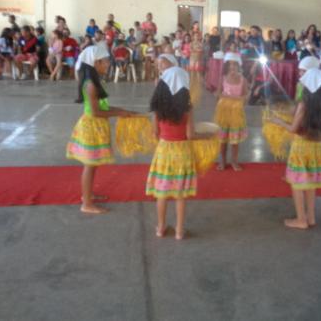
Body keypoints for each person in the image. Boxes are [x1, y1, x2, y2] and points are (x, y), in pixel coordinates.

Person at [66, 46, 138, 214]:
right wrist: (119, 113)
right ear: (96, 62)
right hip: (92, 126)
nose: (108, 65)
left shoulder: (94, 81)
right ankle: (86, 204)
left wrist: (122, 110)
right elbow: (97, 111)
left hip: (96, 125)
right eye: (106, 62)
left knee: (93, 164)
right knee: (90, 165)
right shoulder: (90, 85)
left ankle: (88, 195)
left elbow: (103, 106)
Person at [146, 66, 209, 240]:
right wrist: (209, 135)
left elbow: (155, 133)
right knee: (180, 195)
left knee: (162, 193)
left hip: (164, 151)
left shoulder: (158, 108)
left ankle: (160, 228)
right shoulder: (187, 108)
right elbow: (191, 135)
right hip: (182, 152)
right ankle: (180, 231)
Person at [269, 68, 321, 229]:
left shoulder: (303, 105)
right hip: (316, 147)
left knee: (297, 183)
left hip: (300, 148)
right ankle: (311, 217)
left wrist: (278, 121)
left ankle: (300, 219)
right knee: (310, 183)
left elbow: (293, 129)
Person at [214, 53, 248, 171]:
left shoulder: (242, 79)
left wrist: (240, 99)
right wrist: (222, 96)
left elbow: (245, 95)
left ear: (239, 66)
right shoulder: (223, 78)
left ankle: (234, 161)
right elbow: (217, 93)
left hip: (236, 112)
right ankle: (222, 161)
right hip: (223, 111)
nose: (232, 67)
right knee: (222, 139)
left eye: (235, 64)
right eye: (230, 64)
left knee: (235, 140)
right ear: (227, 66)